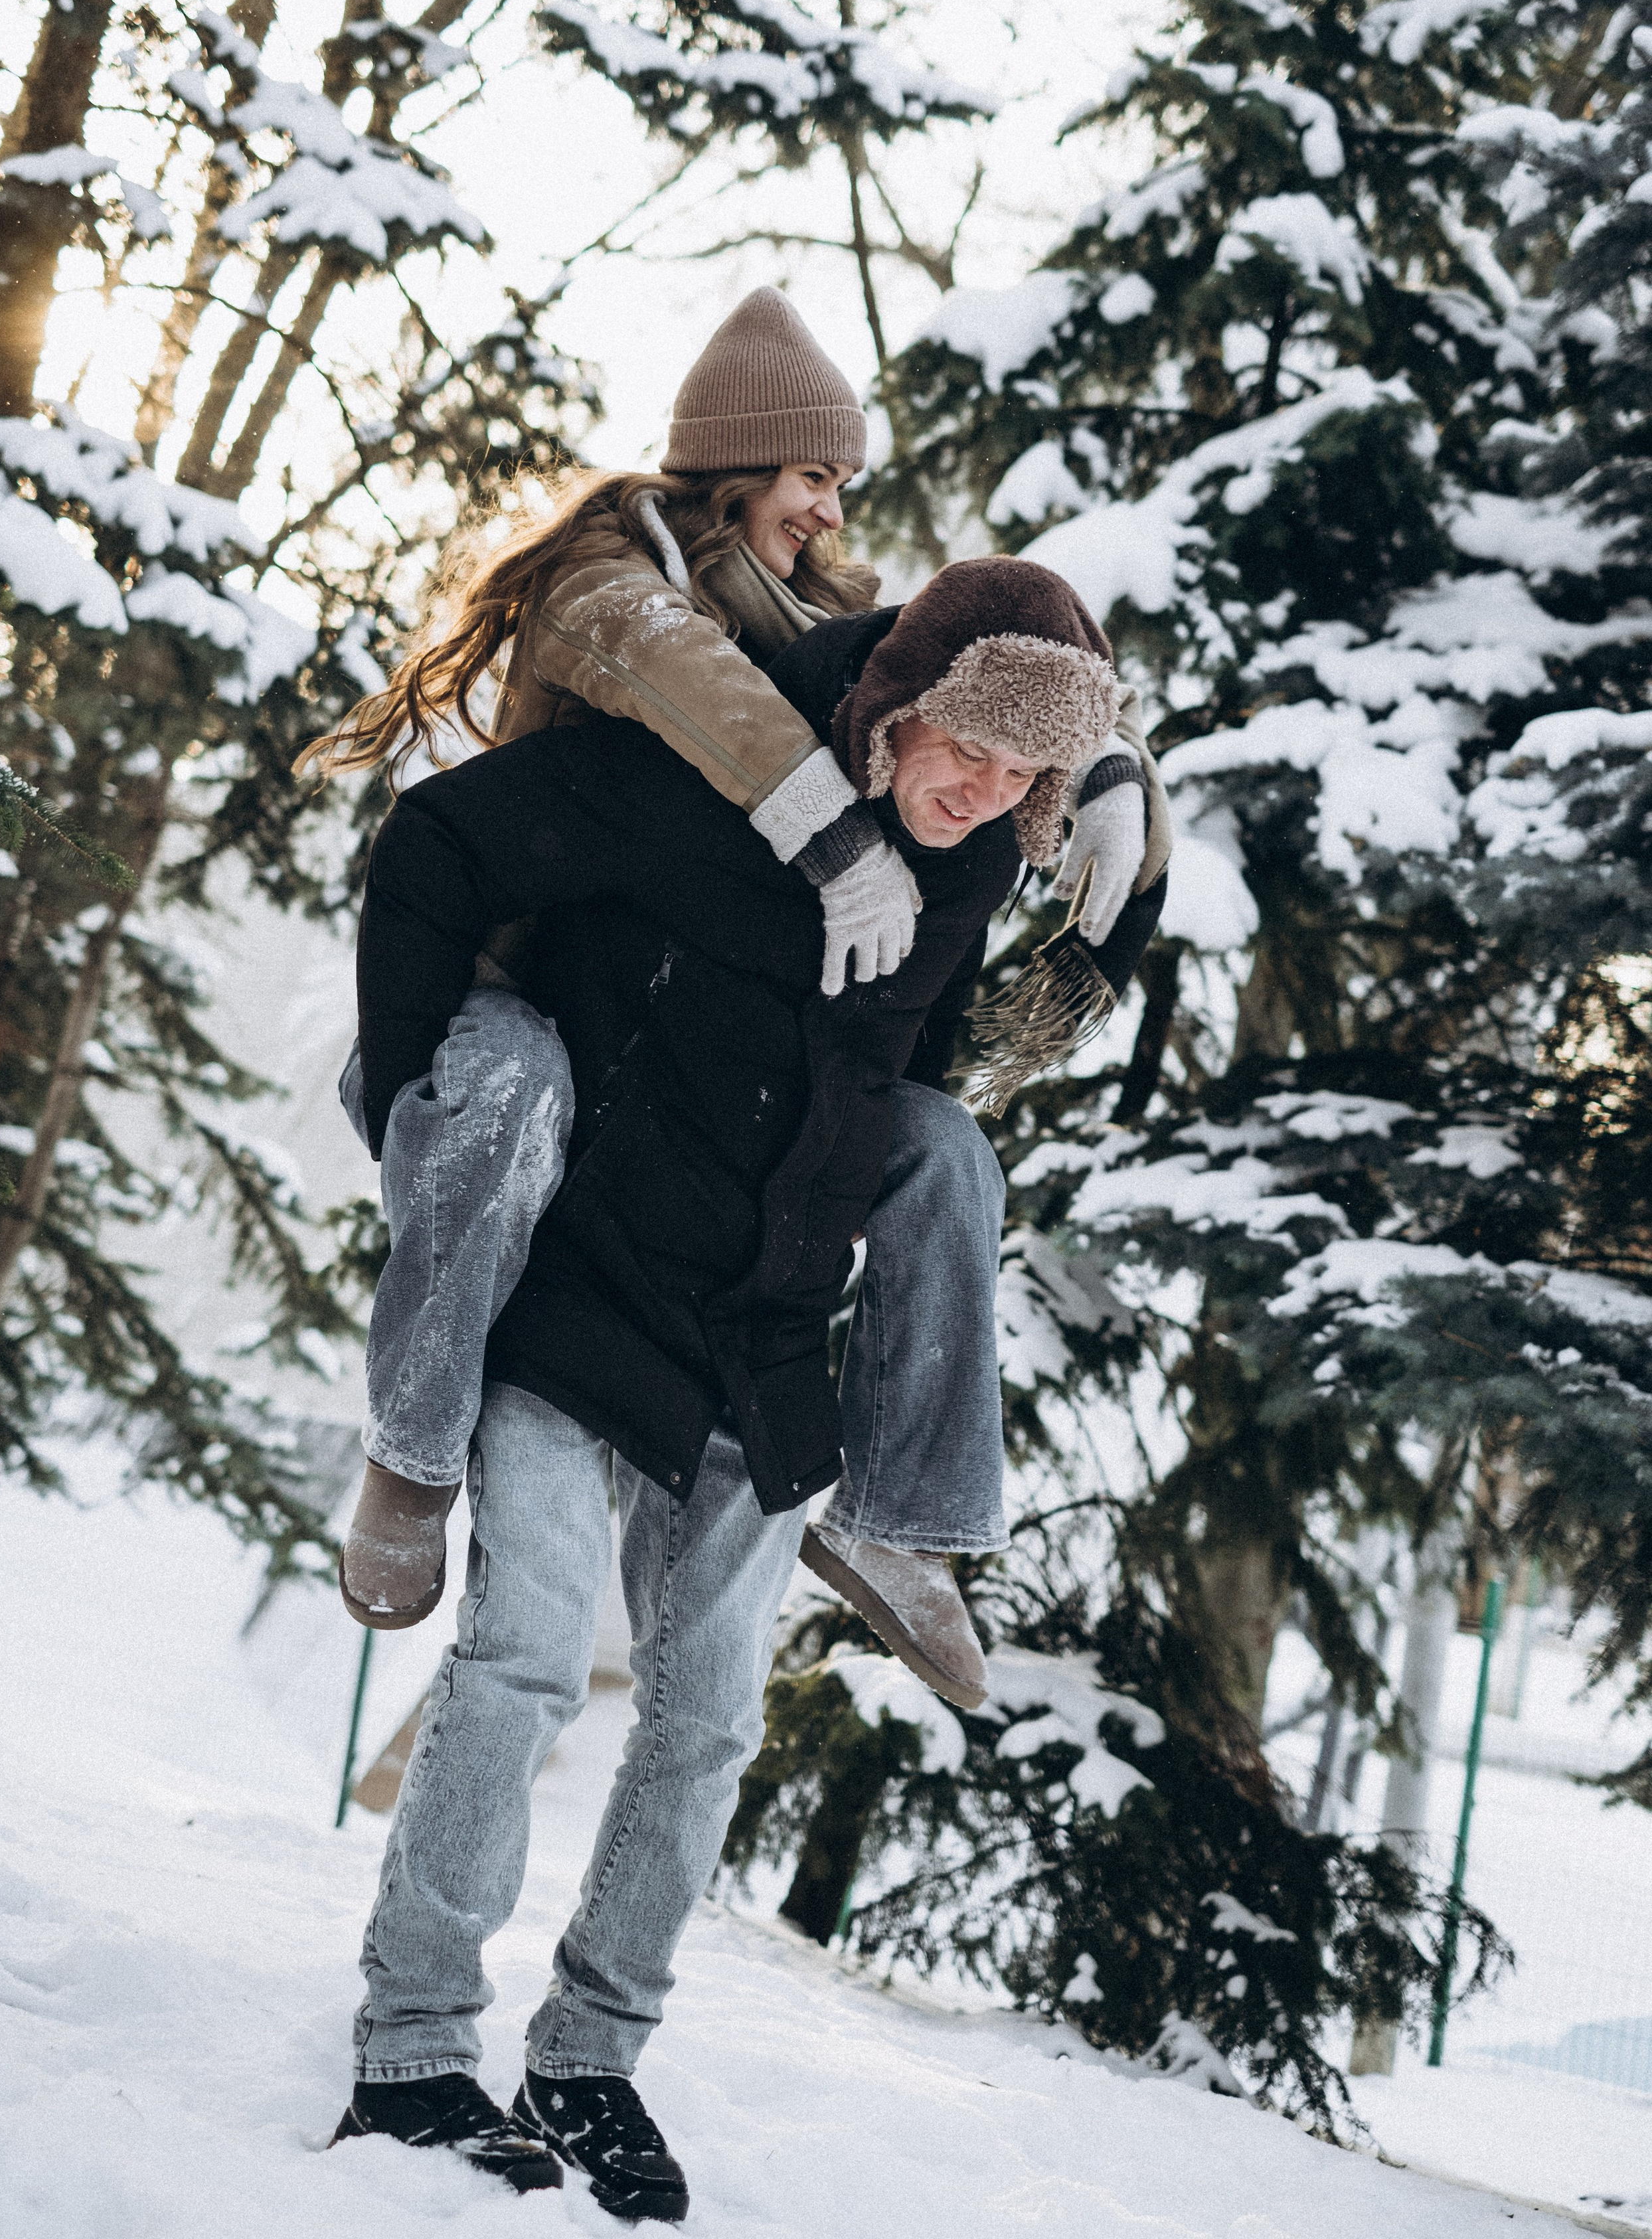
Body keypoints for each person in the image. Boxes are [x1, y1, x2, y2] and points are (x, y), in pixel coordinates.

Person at [329, 552, 1155, 2218]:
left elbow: (900, 1067)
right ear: (894, 710)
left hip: (757, 1330)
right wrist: (424, 1098)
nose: (978, 791)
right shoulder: (693, 778)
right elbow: (432, 845)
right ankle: (411, 2050)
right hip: (579, 1289)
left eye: (1020, 773)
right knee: (523, 1660)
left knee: (705, 1725)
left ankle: (588, 2064)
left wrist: (1114, 814)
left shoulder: (969, 857)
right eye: (963, 747)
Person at [307, 291, 1171, 1710]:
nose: (831, 513)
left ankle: (904, 1526)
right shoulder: (614, 580)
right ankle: (408, 1455)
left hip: (682, 1045)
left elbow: (972, 651)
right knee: (516, 1085)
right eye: (812, 477)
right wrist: (834, 839)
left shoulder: (803, 609)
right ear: (734, 467)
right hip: (506, 1010)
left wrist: (1105, 764)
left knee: (942, 1153)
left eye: (842, 487)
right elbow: (700, 685)